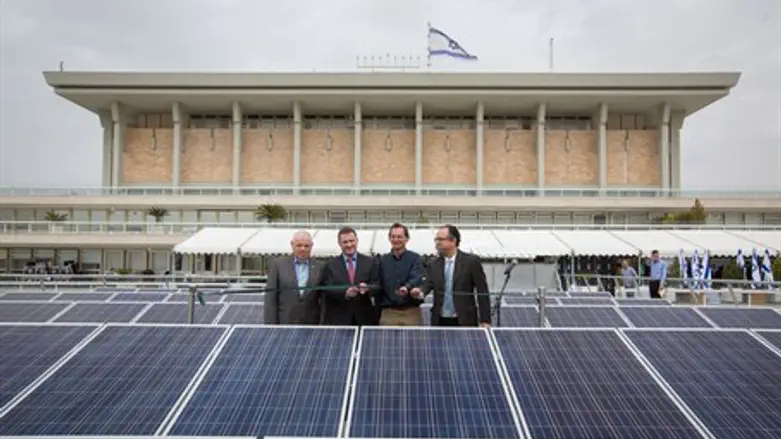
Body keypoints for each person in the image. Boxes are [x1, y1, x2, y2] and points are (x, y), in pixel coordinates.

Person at [411, 225, 491, 327]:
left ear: (453, 241)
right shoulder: (434, 264)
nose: (437, 242)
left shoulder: (471, 262)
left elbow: (482, 292)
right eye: (436, 239)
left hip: (465, 320)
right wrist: (420, 292)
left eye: (441, 239)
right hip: (440, 320)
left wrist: (485, 320)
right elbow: (428, 284)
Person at [321, 227, 380, 326]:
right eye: (345, 242)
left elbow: (377, 284)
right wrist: (345, 293)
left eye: (351, 241)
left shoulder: (370, 262)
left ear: (357, 241)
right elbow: (327, 288)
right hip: (340, 318)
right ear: (339, 243)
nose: (349, 245)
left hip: (364, 318)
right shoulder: (330, 265)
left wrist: (367, 288)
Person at [263, 230, 324, 324]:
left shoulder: (320, 267)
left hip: (312, 324)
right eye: (299, 245)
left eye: (306, 246)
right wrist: (270, 326)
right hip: (285, 323)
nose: (303, 249)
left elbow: (324, 299)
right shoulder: (278, 265)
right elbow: (270, 298)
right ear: (292, 245)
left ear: (312, 246)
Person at [376, 223, 425, 326]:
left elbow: (416, 277)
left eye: (399, 237)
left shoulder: (415, 258)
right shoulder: (382, 260)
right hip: (389, 312)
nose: (396, 240)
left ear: (407, 239)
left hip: (411, 312)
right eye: (393, 237)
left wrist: (407, 287)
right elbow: (378, 284)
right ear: (389, 238)